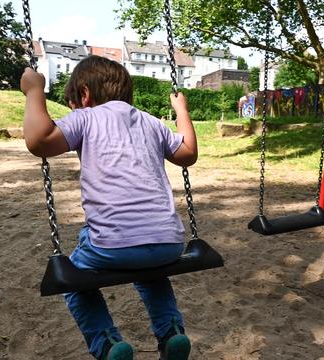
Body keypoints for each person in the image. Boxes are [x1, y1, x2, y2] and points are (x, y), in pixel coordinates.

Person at [20, 55, 198, 360]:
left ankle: (107, 344)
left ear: (85, 95)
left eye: (72, 102)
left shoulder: (85, 118)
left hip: (113, 245)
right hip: (168, 243)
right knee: (151, 272)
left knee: (74, 278)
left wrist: (34, 91)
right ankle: (171, 333)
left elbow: (39, 140)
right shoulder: (150, 121)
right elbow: (188, 153)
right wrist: (181, 111)